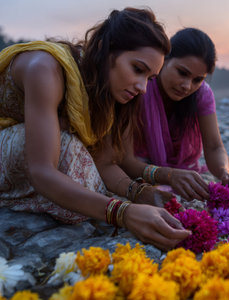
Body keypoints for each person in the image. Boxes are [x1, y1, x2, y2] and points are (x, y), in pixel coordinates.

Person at [0, 7, 191, 251]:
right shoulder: (46, 70)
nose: (143, 87)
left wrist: (138, 193)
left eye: (149, 78)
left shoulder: (107, 91)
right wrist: (123, 213)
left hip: (32, 156)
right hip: (15, 147)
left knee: (82, 168)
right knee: (70, 153)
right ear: (105, 50)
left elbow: (104, 161)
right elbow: (41, 169)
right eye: (138, 69)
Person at [134, 28, 229, 204]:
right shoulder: (139, 88)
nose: (187, 86)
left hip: (182, 170)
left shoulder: (201, 94)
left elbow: (214, 146)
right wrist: (169, 176)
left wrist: (225, 173)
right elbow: (122, 158)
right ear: (165, 60)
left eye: (197, 80)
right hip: (136, 167)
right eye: (182, 73)